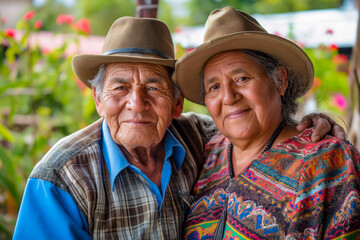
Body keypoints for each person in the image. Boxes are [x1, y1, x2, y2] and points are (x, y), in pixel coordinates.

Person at [13, 15, 345, 240]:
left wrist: (315, 123)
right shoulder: (61, 178)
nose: (136, 103)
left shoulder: (200, 139)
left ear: (177, 104)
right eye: (120, 87)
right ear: (98, 100)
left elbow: (254, 127)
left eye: (154, 87)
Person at [173, 6, 360, 239]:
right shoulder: (206, 152)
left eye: (242, 78)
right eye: (214, 87)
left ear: (280, 80)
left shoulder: (327, 161)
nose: (229, 97)